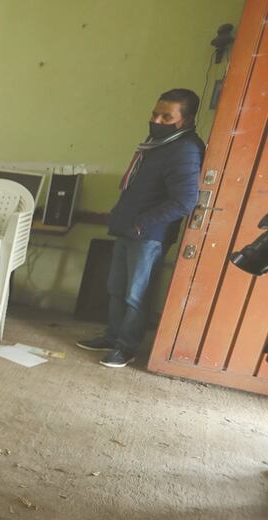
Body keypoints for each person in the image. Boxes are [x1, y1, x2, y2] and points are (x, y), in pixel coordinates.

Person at [78, 89, 205, 368]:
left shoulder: (185, 149)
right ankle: (112, 337)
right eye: (155, 113)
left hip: (149, 235)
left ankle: (126, 347)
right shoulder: (157, 143)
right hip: (128, 228)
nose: (157, 120)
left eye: (166, 116)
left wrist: (142, 221)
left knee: (136, 294)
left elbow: (185, 200)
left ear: (186, 120)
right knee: (116, 288)